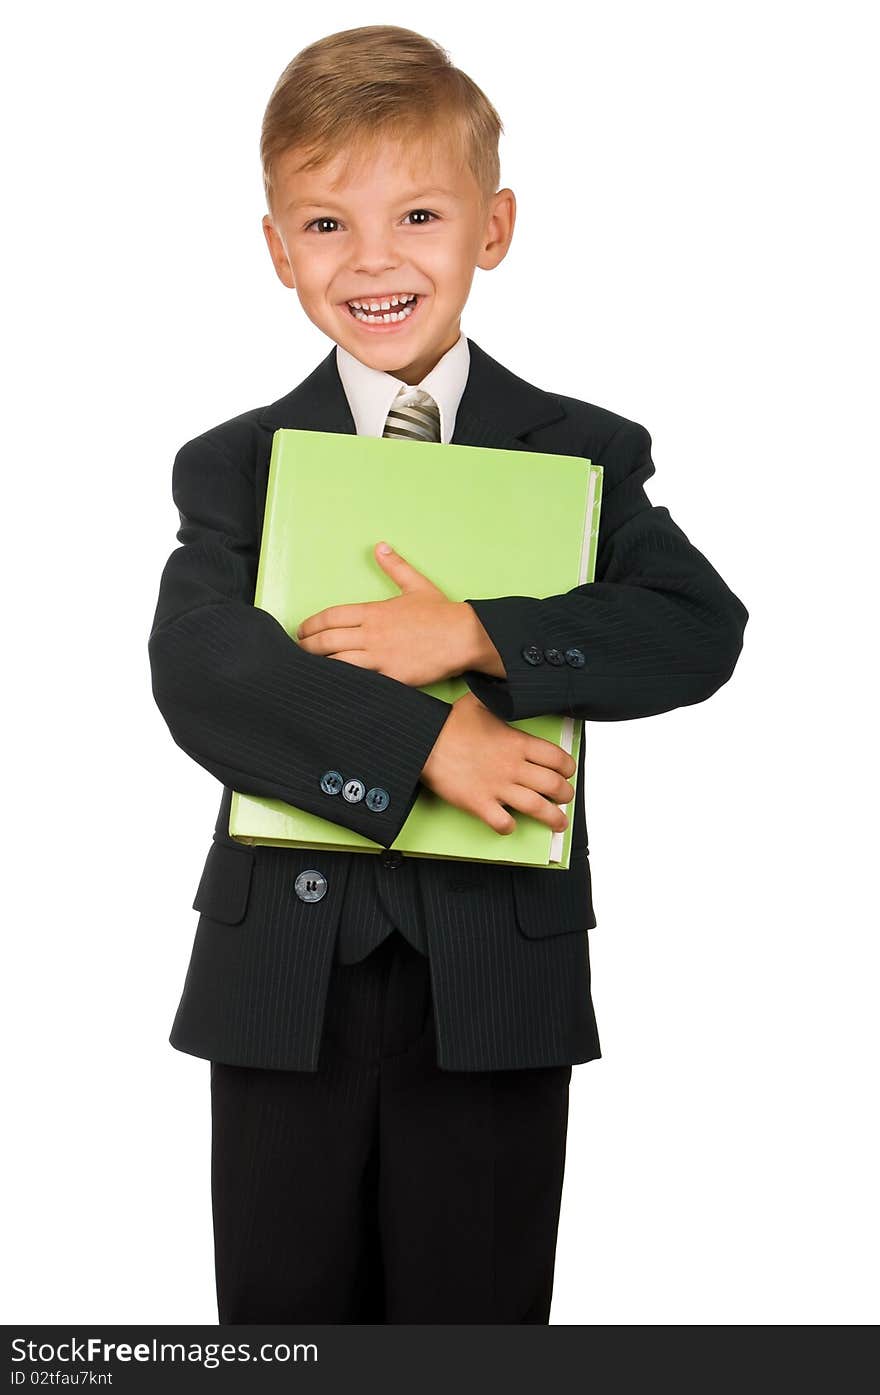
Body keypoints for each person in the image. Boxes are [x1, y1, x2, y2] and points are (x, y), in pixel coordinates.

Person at [148, 23, 748, 1324]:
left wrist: (480, 630)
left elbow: (695, 625)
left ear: (495, 226)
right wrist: (428, 745)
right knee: (283, 1329)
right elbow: (205, 665)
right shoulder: (235, 464)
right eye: (326, 225)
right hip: (283, 983)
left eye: (418, 212)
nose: (374, 261)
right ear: (276, 250)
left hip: (495, 985)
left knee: (474, 1331)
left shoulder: (583, 452)